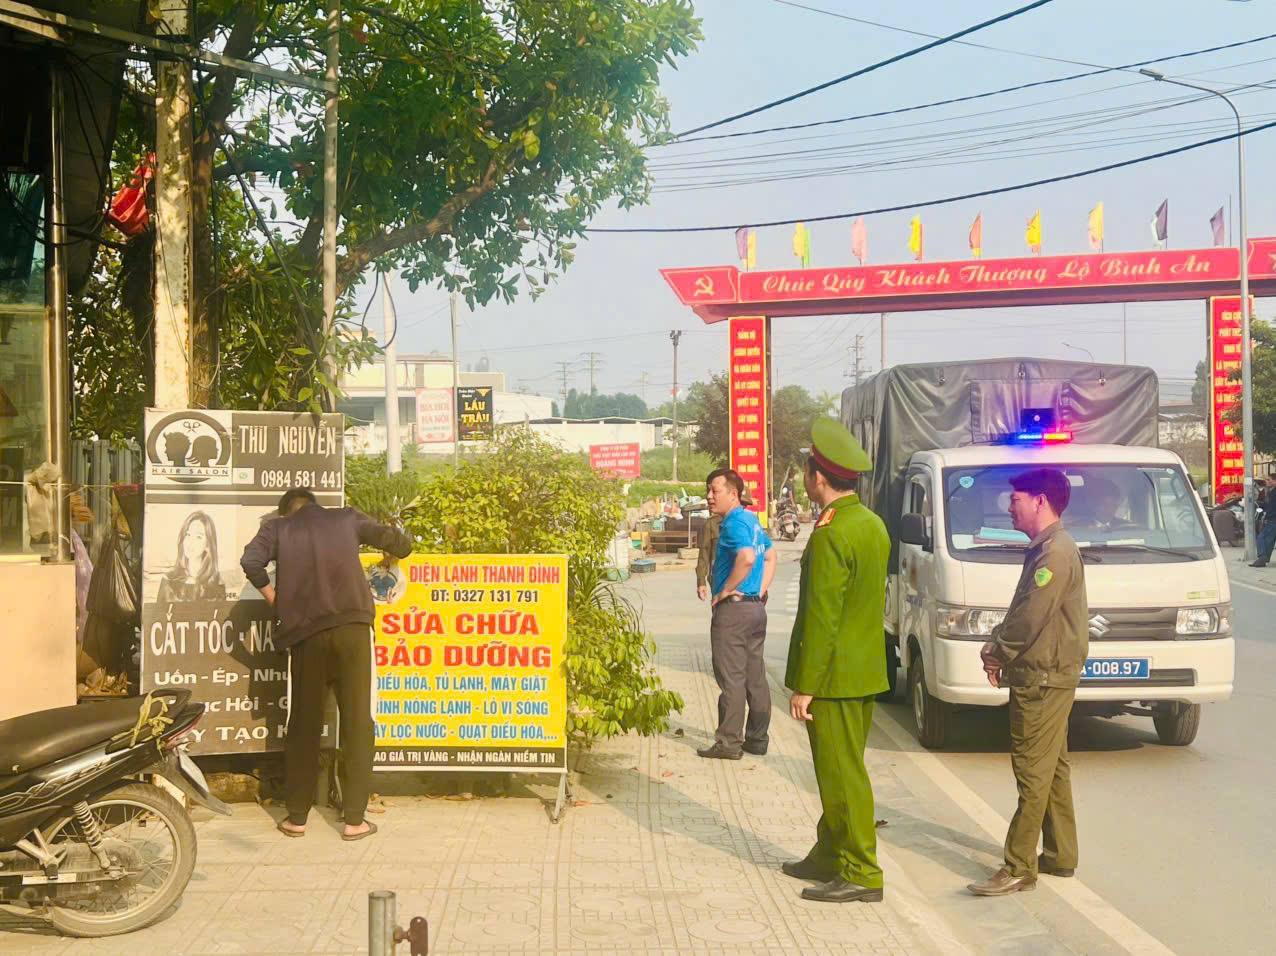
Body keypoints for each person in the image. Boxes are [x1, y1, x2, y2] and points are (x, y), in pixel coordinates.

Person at [240, 488, 413, 841]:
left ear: (286, 512)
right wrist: (392, 545)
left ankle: (297, 819)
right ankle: (354, 821)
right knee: (358, 722)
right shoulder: (347, 518)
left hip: (305, 636)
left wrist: (276, 599)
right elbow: (401, 545)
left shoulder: (278, 528)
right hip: (353, 630)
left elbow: (250, 562)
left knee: (303, 724)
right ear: (316, 506)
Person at [782, 418, 888, 904]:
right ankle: (829, 852)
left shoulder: (830, 533)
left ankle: (861, 870)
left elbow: (823, 618)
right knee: (844, 767)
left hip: (834, 677)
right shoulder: (871, 524)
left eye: (808, 473)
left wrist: (806, 684)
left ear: (817, 477)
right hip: (864, 670)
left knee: (842, 776)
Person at [969, 468, 1088, 897]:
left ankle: (1019, 865)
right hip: (1048, 671)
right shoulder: (1049, 549)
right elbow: (1026, 611)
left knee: (1032, 772)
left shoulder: (1054, 553)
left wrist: (997, 651)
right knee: (1052, 767)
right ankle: (1059, 854)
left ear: (1040, 501)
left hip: (1042, 676)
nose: (1009, 507)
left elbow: (1030, 617)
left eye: (1015, 499)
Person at [698, 469, 777, 760]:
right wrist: (760, 590)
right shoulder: (751, 521)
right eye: (708, 490)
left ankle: (729, 743)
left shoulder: (732, 524)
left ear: (733, 494)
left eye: (714, 490)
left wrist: (725, 591)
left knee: (731, 677)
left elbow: (747, 557)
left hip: (733, 612)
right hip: (754, 609)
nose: (709, 496)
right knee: (755, 675)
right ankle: (757, 738)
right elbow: (770, 555)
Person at [157, 511, 227, 603]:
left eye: (198, 537)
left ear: (208, 545)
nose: (190, 541)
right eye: (188, 534)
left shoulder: (216, 585)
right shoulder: (168, 581)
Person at [1249, 477, 1276, 567]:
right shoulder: (1270, 491)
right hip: (1272, 519)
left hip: (1273, 520)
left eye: (1269, 480)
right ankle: (1263, 559)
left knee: (1261, 538)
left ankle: (1262, 557)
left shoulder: (1273, 493)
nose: (1266, 482)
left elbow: (1270, 507)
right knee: (1269, 540)